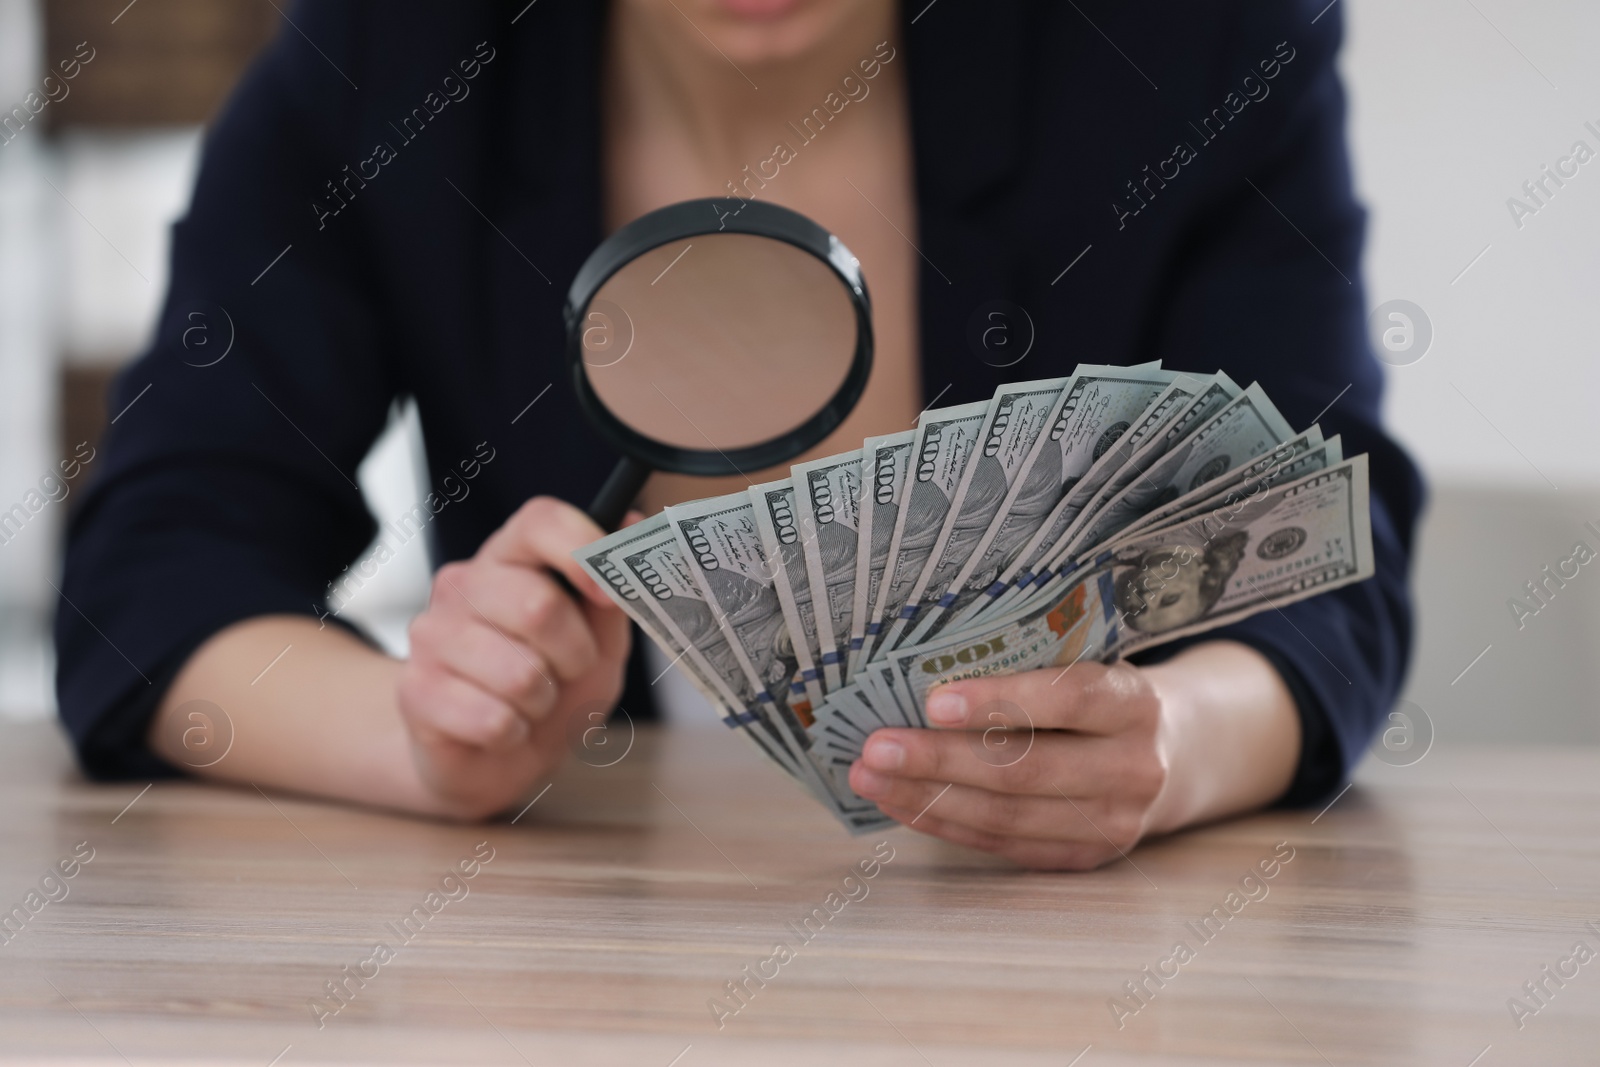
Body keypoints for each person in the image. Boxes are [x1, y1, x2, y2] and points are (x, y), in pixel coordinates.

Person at [56, 0, 1423, 871]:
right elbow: (151, 584)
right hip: (574, 983)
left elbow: (1325, 548)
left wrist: (1172, 746)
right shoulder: (385, 54)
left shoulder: (1209, 42)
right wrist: (421, 738)